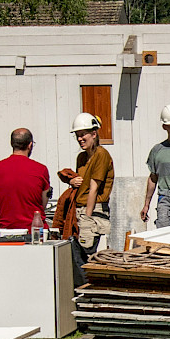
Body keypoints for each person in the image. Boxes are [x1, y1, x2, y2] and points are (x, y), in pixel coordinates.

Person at [67, 113, 114, 286]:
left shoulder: (101, 154)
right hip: (80, 209)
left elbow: (94, 189)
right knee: (77, 255)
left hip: (93, 211)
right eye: (77, 135)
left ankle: (89, 290)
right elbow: (83, 183)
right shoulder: (82, 157)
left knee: (87, 256)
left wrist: (86, 218)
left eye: (83, 134)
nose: (80, 138)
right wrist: (71, 181)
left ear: (94, 134)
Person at [0, 128, 51, 240]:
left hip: (5, 233)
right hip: (34, 232)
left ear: (12, 144)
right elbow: (43, 203)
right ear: (30, 145)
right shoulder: (41, 169)